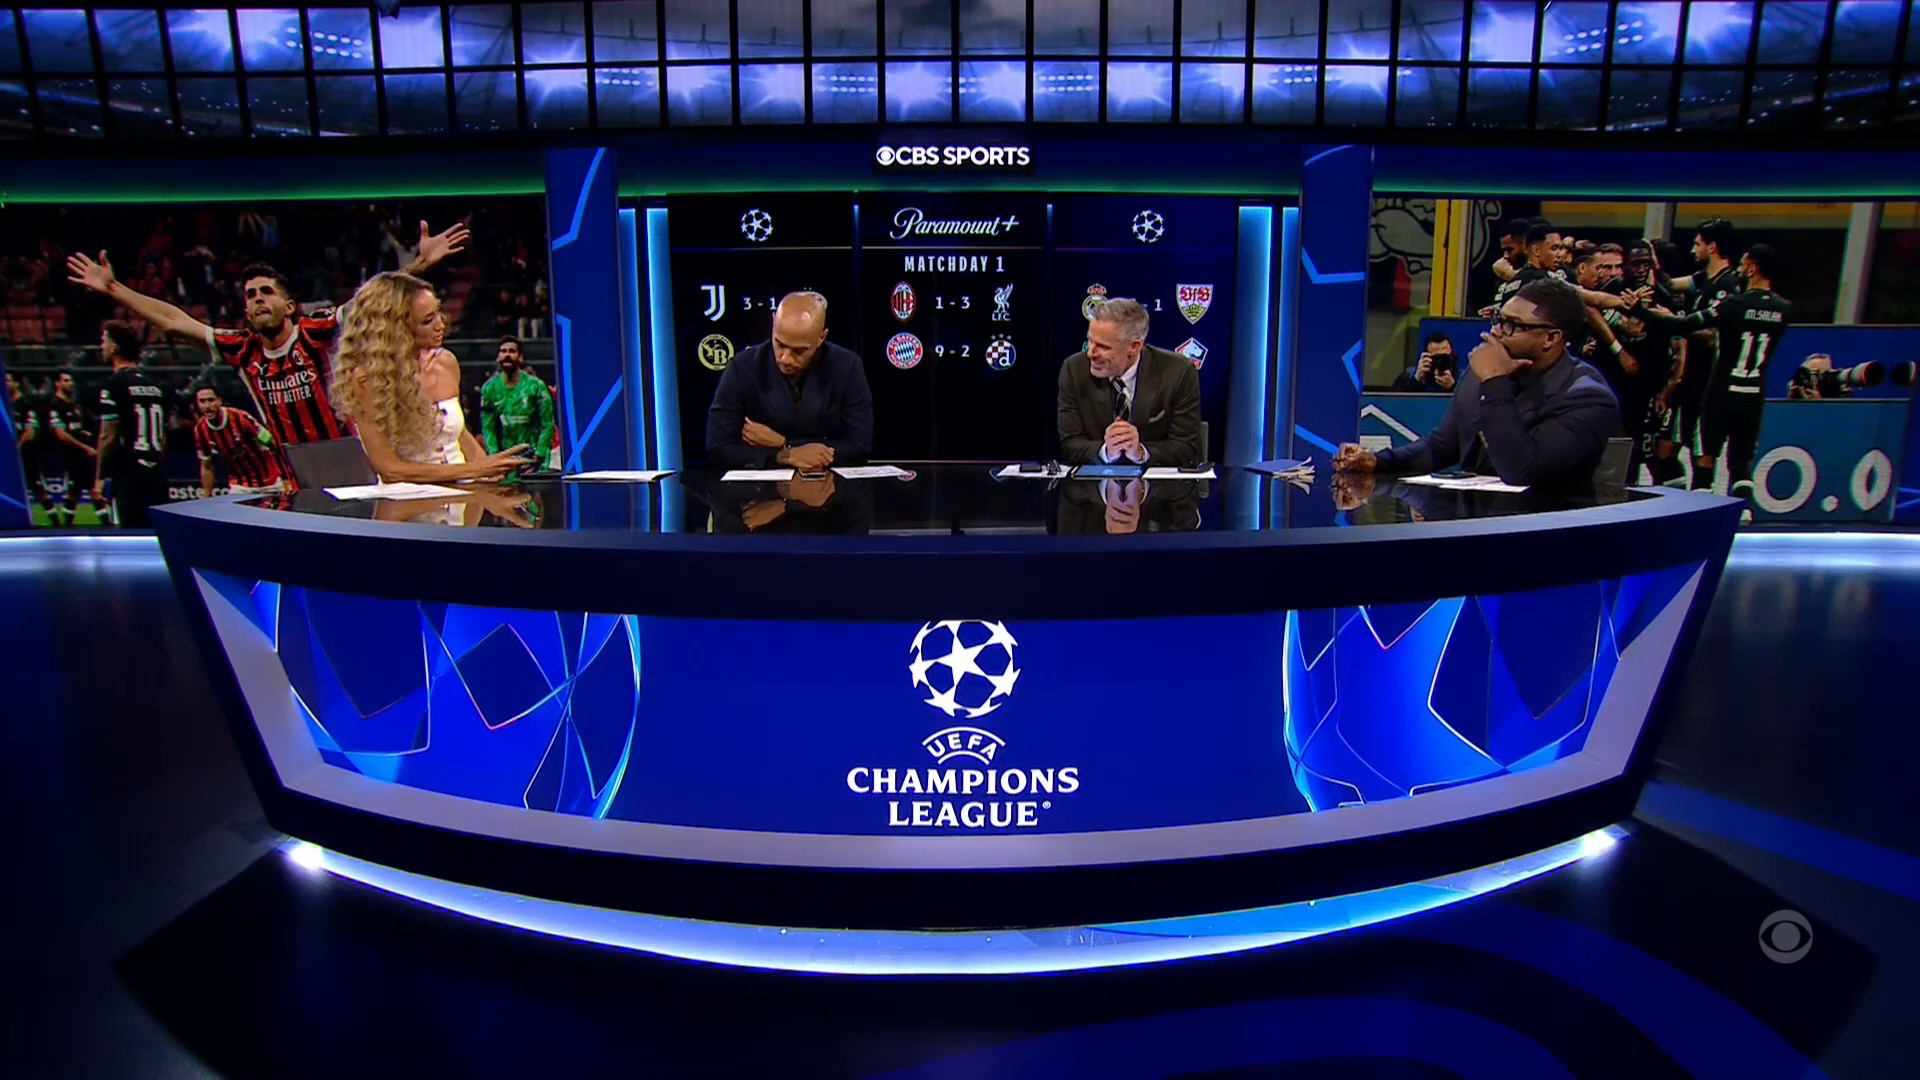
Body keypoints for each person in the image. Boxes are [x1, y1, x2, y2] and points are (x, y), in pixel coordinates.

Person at [66, 220, 470, 452]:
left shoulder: (318, 331)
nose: (258, 298)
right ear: (245, 311)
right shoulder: (240, 349)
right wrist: (115, 289)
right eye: (250, 295)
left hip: (349, 455)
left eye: (266, 292)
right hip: (290, 464)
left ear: (290, 306)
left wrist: (421, 264)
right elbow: (173, 320)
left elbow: (374, 297)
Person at [1334, 279, 1620, 488]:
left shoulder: (1587, 397)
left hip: (1544, 532)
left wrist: (1496, 381)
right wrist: (1379, 461)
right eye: (1498, 320)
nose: (1496, 332)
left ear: (1551, 338)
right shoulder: (1480, 373)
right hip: (1477, 523)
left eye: (1512, 325)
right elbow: (1440, 447)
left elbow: (1523, 470)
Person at [326, 272, 528, 484]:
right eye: (427, 321)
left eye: (438, 313)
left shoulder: (446, 362)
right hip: (408, 498)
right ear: (397, 328)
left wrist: (492, 471)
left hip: (465, 492)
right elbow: (390, 470)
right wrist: (473, 470)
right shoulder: (366, 380)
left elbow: (459, 435)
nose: (440, 325)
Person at [1636, 243, 1791, 504]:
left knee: (1706, 458)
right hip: (1754, 395)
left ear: (1752, 268)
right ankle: (1744, 512)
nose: (1740, 268)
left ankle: (1700, 510)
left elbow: (1686, 324)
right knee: (1740, 464)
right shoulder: (1784, 309)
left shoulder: (1734, 304)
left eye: (1744, 263)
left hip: (1722, 392)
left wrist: (1643, 312)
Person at [704, 292, 873, 472]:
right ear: (773, 323)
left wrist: (785, 443)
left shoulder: (847, 367)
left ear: (821, 338)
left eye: (798, 351)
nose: (785, 358)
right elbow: (718, 449)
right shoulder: (742, 368)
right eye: (780, 344)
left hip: (828, 486)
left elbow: (859, 447)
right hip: (761, 488)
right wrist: (784, 455)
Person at [1057, 298, 1203, 467]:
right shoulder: (1074, 370)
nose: (1091, 353)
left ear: (1134, 347)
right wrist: (1106, 451)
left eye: (1103, 347)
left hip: (1156, 482)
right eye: (1090, 340)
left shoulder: (1178, 373)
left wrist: (1141, 452)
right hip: (1094, 481)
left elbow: (1186, 447)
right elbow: (1070, 444)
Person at [1655, 219, 1743, 481]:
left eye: (1697, 244)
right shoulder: (1703, 279)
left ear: (1712, 247)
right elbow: (1670, 285)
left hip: (1708, 384)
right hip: (1687, 380)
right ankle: (1675, 499)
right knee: (1663, 452)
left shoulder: (1729, 286)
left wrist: (1677, 323)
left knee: (1701, 455)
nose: (1693, 250)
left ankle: (1700, 498)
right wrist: (1652, 265)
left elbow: (1715, 337)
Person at [92, 322, 172, 526]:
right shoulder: (155, 387)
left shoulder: (113, 385)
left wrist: (99, 478)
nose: (101, 347)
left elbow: (108, 436)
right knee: (155, 535)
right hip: (156, 476)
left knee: (126, 535)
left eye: (104, 341)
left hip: (128, 477)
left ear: (113, 348)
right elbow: (162, 438)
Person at [27, 371, 98, 525]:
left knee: (79, 491)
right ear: (57, 384)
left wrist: (85, 436)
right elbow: (61, 435)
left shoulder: (76, 406)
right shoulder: (55, 406)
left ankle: (66, 525)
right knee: (81, 491)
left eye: (71, 380)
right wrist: (85, 447)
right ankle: (64, 526)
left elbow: (86, 428)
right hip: (68, 456)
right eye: (65, 380)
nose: (70, 383)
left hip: (82, 456)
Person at [191, 386, 284, 497]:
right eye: (202, 401)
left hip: (270, 483)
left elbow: (273, 443)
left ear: (219, 401)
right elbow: (207, 466)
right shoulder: (200, 430)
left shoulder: (240, 418)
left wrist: (287, 477)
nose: (207, 406)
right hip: (240, 487)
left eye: (211, 400)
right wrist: (206, 497)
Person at [478, 337, 556, 462]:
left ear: (520, 357)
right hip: (504, 460)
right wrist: (494, 456)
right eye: (503, 351)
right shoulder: (489, 388)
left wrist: (540, 453)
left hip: (534, 459)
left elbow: (547, 424)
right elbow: (488, 427)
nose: (507, 355)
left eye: (512, 351)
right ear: (498, 357)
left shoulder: (536, 386)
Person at [1392, 333, 1457, 392]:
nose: (1440, 361)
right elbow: (1397, 400)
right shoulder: (1408, 376)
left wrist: (1453, 387)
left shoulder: (1461, 380)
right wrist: (1416, 380)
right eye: (1436, 357)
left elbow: (1462, 400)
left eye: (1444, 357)